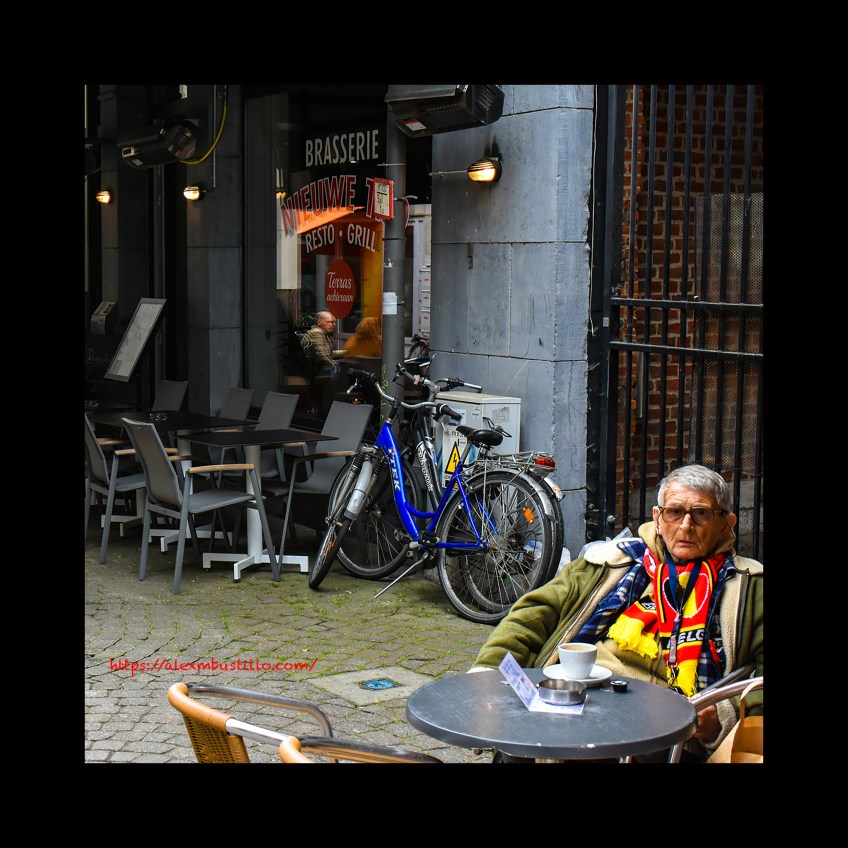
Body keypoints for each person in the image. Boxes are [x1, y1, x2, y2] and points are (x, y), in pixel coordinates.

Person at [470, 463, 763, 763]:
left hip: (662, 726)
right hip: (579, 697)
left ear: (726, 523)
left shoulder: (748, 587)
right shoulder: (613, 563)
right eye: (675, 512)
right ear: (658, 518)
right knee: (518, 746)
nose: (686, 525)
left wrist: (723, 714)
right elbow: (533, 614)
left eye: (701, 514)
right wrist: (487, 674)